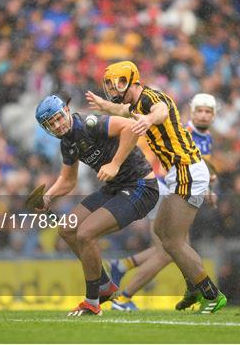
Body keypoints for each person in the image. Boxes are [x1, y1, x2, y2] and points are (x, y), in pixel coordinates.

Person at [86, 61, 226, 314]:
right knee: (164, 235)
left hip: (186, 171)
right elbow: (126, 110)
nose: (112, 87)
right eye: (109, 83)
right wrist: (106, 106)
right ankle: (194, 287)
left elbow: (160, 110)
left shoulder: (150, 99)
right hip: (179, 172)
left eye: (117, 82)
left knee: (172, 241)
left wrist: (150, 120)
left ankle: (210, 294)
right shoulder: (137, 103)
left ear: (132, 80)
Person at [34, 95, 159, 316]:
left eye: (58, 118)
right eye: (50, 124)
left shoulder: (91, 123)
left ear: (66, 110)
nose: (57, 125)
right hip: (114, 187)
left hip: (141, 185)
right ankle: (104, 285)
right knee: (67, 228)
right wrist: (48, 196)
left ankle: (92, 301)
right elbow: (68, 181)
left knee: (85, 234)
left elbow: (131, 127)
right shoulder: (68, 143)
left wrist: (115, 163)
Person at [106, 93, 219, 311]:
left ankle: (124, 266)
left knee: (173, 246)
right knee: (171, 248)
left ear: (214, 116)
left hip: (175, 185)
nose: (203, 116)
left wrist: (209, 185)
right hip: (164, 185)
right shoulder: (184, 131)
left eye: (208, 112)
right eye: (200, 111)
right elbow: (174, 158)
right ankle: (124, 297)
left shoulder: (207, 138)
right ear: (191, 113)